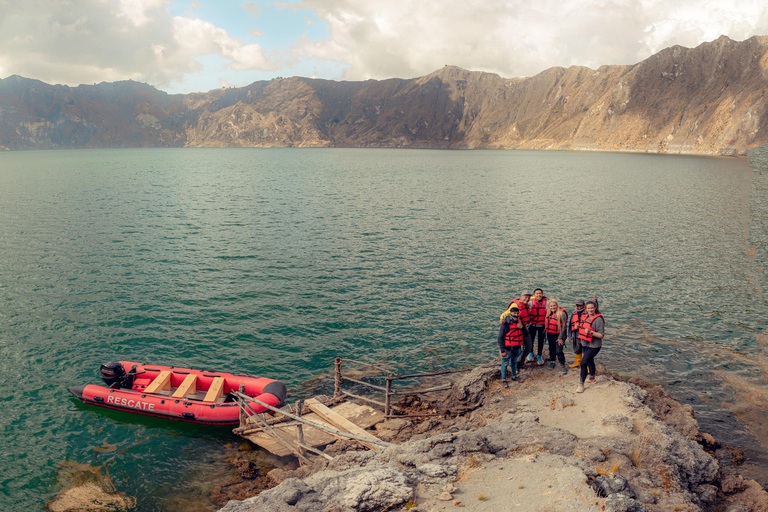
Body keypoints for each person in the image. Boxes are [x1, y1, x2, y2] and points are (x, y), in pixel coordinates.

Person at [575, 300, 604, 393]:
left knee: (583, 363)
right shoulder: (586, 316)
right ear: (586, 309)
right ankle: (592, 377)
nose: (590, 309)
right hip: (585, 343)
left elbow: (601, 335)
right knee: (590, 360)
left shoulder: (598, 319)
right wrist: (578, 326)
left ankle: (581, 384)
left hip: (594, 346)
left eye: (592, 308)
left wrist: (591, 332)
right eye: (588, 308)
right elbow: (583, 327)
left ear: (595, 308)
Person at [497, 305, 529, 386]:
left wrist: (522, 328)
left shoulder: (520, 322)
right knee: (505, 363)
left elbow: (526, 334)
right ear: (510, 313)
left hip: (517, 347)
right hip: (508, 348)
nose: (516, 314)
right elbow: (500, 337)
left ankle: (514, 376)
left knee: (514, 362)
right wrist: (502, 350)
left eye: (517, 313)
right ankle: (503, 380)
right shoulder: (505, 323)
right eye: (514, 313)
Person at [544, 299, 568, 373]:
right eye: (551, 306)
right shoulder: (548, 313)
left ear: (557, 305)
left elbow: (564, 326)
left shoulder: (562, 314)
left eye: (554, 305)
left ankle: (562, 364)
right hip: (550, 333)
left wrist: (560, 337)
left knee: (559, 350)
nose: (552, 307)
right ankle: (552, 361)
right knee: (551, 348)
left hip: (559, 334)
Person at [527, 288, 548, 365]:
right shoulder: (530, 303)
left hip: (542, 325)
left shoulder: (546, 303)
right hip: (532, 324)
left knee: (540, 341)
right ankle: (531, 353)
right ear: (534, 295)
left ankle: (539, 355)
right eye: (537, 293)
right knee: (530, 340)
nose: (539, 295)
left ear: (542, 295)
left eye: (540, 293)